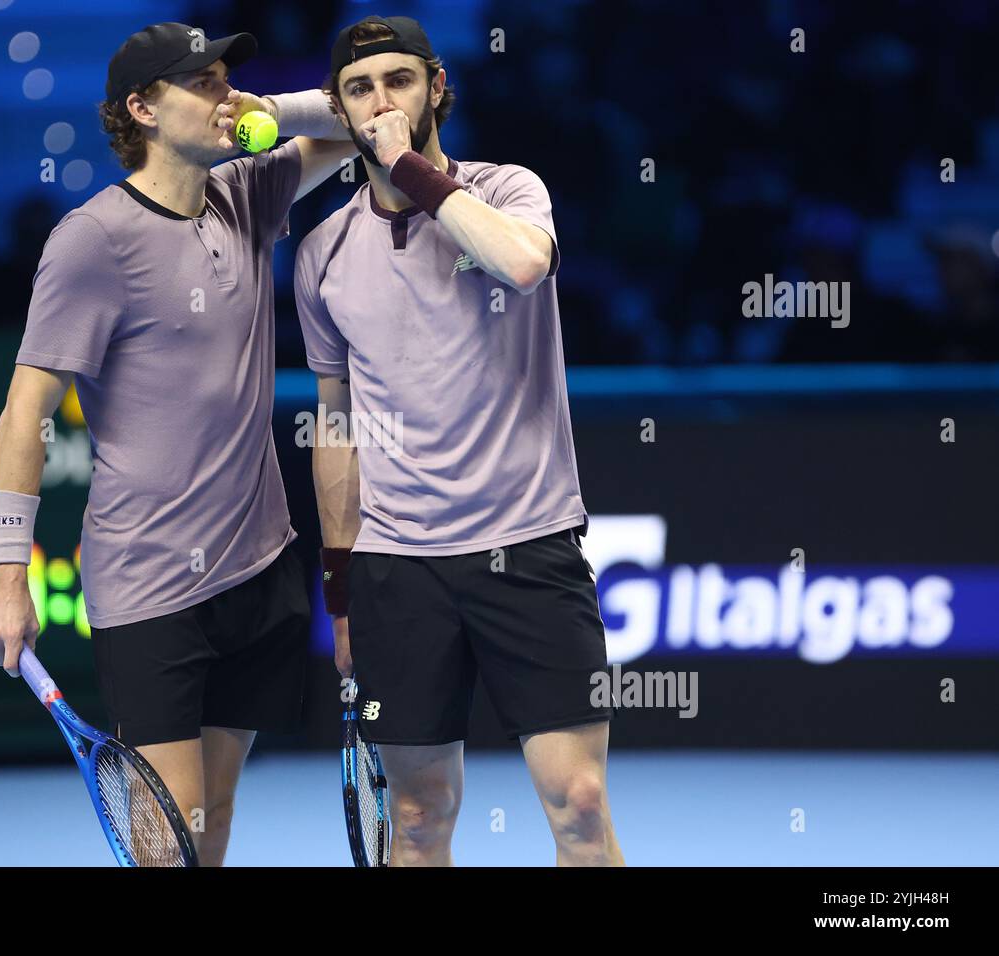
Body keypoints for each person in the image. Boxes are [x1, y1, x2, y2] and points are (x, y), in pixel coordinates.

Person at [0, 21, 356, 865]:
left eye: (228, 79)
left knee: (211, 822)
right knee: (169, 833)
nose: (226, 97)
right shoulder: (91, 240)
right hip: (151, 587)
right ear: (142, 108)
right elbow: (24, 410)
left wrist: (272, 106)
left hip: (258, 568)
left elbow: (362, 118)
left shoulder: (249, 194)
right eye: (205, 83)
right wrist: (7, 577)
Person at [296, 15, 624, 866]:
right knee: (416, 817)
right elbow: (336, 424)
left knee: (581, 806)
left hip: (531, 544)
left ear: (438, 87)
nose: (382, 102)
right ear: (339, 108)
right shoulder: (323, 250)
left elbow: (520, 265)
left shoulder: (511, 189)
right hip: (398, 568)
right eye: (361, 89)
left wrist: (406, 164)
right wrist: (339, 589)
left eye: (400, 81)